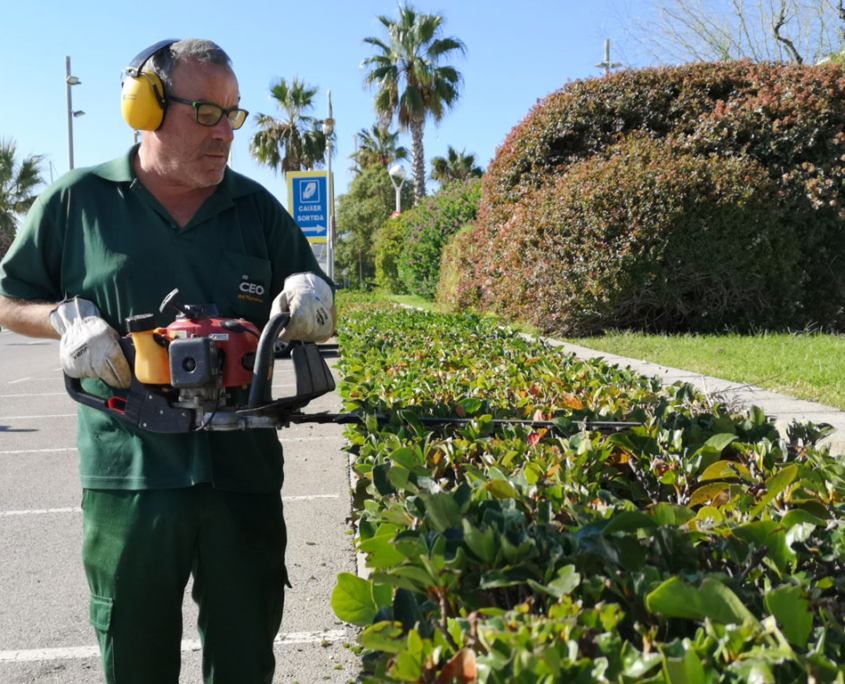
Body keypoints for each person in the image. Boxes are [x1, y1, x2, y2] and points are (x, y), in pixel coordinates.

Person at [0, 39, 335, 683]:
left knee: (244, 656)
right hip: (128, 478)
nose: (225, 134)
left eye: (233, 115)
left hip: (243, 476)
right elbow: (10, 298)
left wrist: (315, 301)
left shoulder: (256, 209)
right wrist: (62, 320)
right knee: (134, 655)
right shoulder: (78, 202)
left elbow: (315, 300)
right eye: (206, 112)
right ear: (144, 107)